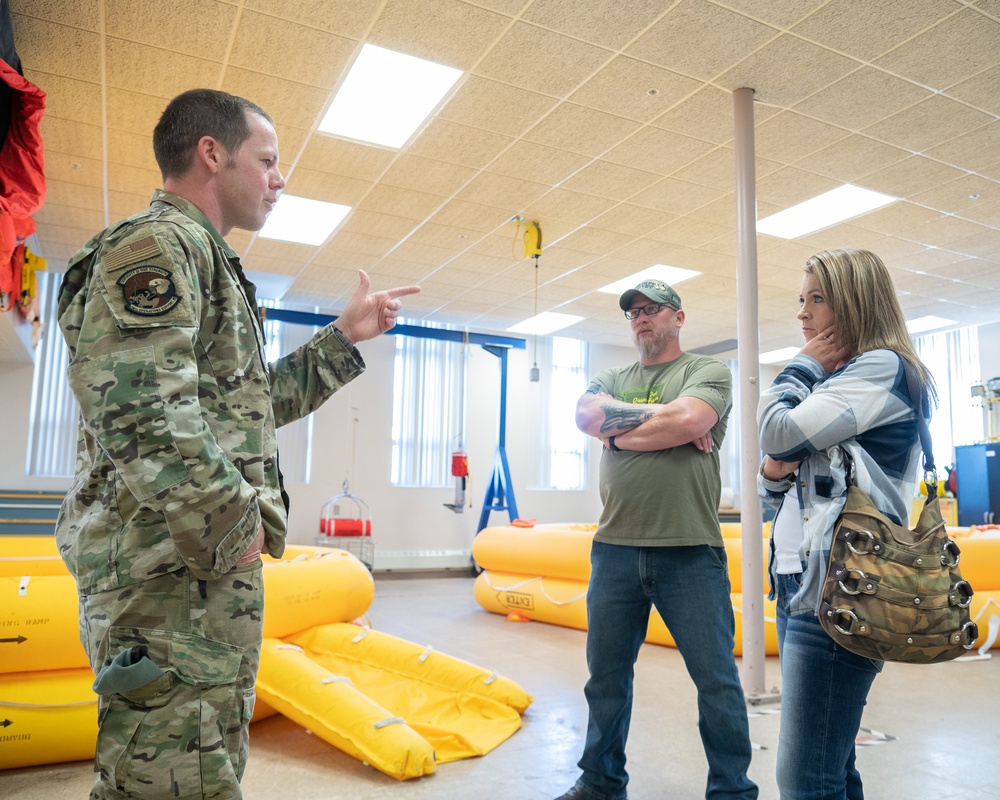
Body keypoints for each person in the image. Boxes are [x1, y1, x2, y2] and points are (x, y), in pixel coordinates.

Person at [55, 88, 419, 800]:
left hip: (196, 579)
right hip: (166, 582)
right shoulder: (154, 247)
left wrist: (343, 340)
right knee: (164, 781)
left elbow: (247, 407)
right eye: (268, 159)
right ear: (211, 153)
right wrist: (238, 526)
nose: (280, 178)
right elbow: (142, 414)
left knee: (204, 768)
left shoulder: (208, 262)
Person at [556, 279, 758, 800]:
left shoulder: (705, 371)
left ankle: (732, 791)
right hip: (616, 549)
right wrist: (661, 424)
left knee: (716, 681)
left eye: (653, 310)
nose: (642, 318)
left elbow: (691, 416)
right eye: (634, 313)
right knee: (605, 678)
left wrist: (617, 432)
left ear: (678, 318)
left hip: (689, 551)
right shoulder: (611, 375)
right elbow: (585, 415)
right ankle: (600, 783)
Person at [757, 249, 936, 800]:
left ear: (855, 303)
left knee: (806, 780)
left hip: (840, 590)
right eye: (801, 300)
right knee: (831, 768)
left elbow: (777, 434)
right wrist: (771, 468)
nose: (803, 315)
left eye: (817, 299)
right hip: (798, 584)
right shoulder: (838, 385)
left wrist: (799, 366)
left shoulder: (880, 368)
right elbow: (772, 489)